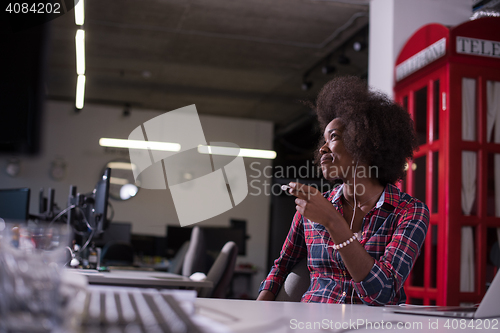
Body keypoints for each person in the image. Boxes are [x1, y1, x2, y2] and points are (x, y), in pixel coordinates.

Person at [257, 76, 429, 305]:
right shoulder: (313, 207)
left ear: (365, 142)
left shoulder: (409, 212)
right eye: (324, 139)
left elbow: (383, 292)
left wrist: (332, 220)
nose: (322, 148)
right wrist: (255, 313)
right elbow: (281, 268)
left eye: (334, 137)